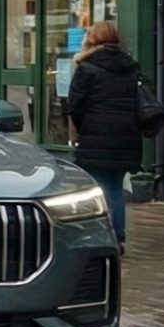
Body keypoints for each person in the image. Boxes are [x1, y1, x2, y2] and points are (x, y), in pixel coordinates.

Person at [65, 19, 143, 246]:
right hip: (126, 137)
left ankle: (104, 237)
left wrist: (81, 131)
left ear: (92, 39)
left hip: (95, 136)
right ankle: (118, 235)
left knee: (99, 187)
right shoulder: (130, 67)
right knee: (116, 188)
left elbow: (75, 105)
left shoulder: (86, 68)